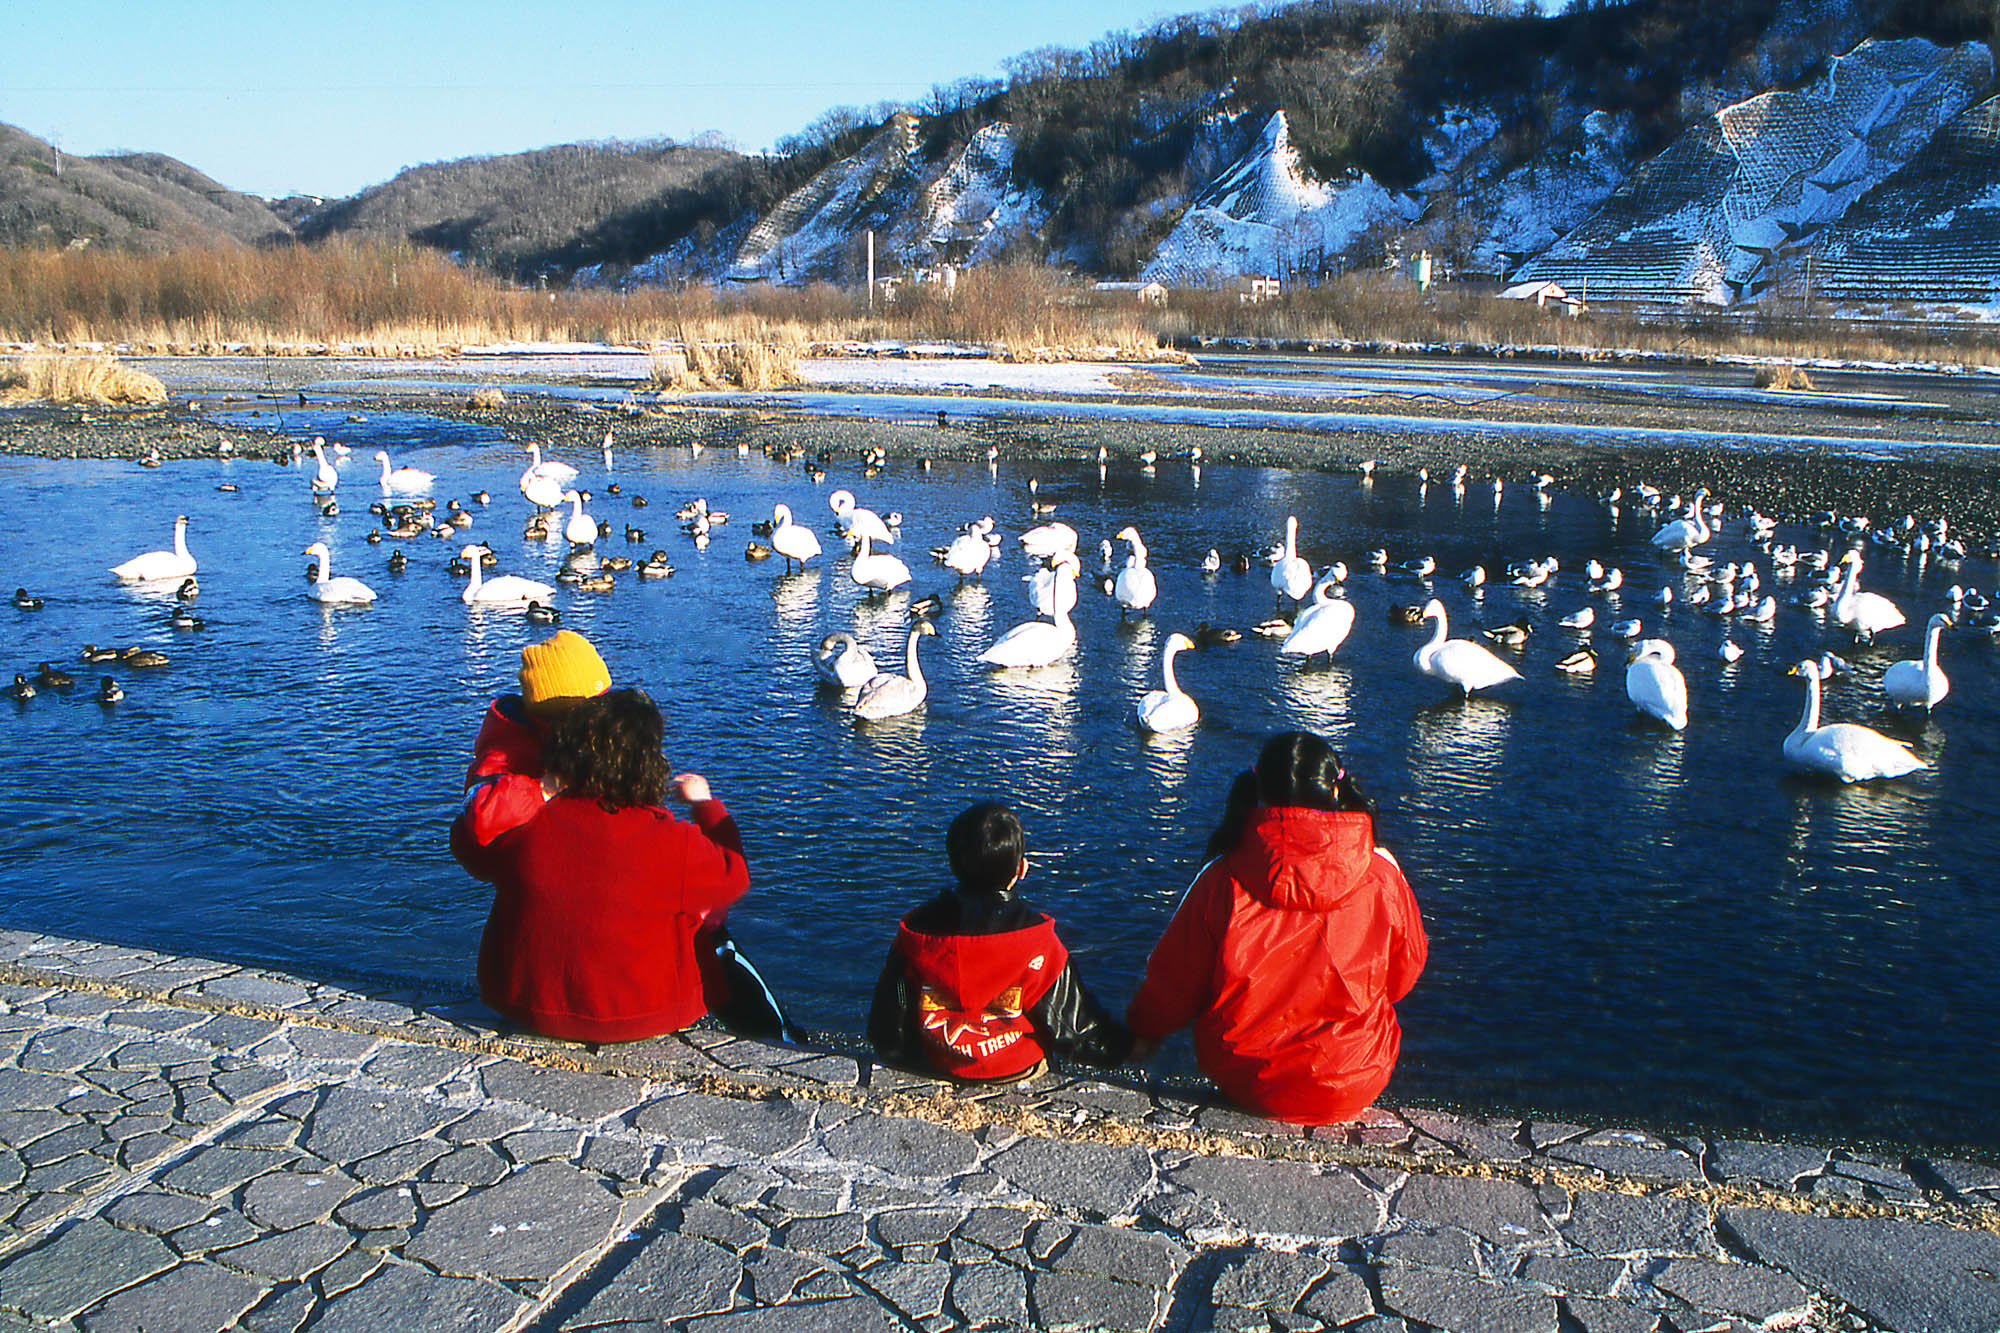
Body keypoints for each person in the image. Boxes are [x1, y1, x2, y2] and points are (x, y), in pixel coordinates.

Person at [452, 687, 793, 1043]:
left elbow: (469, 849)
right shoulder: (668, 838)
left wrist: (530, 790)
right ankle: (779, 1037)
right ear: (647, 764)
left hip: (524, 1005)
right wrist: (706, 806)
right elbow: (733, 876)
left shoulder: (527, 823)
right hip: (641, 1017)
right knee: (711, 930)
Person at [1125, 732, 1427, 1125]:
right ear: (1336, 786)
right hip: (1355, 1077)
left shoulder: (1221, 877)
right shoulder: (1382, 874)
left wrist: (1141, 1033)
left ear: (1258, 788)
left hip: (1247, 1079)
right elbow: (1405, 974)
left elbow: (1174, 981)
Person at [869, 801, 1132, 1082]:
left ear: (952, 864)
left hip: (938, 1061)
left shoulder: (916, 931)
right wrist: (1129, 1046)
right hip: (1015, 1068)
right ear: (1021, 869)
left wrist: (906, 1059)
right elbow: (1073, 1030)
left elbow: (887, 1023)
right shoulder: (1038, 940)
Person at [456, 629, 611, 849]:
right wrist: (552, 784)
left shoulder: (579, 733)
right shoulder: (506, 747)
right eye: (596, 707)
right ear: (562, 714)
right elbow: (482, 818)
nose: (604, 717)